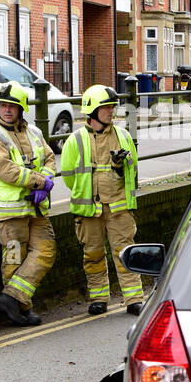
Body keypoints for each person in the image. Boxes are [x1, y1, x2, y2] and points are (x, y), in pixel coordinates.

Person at [0, 83, 58, 326]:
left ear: (21, 109)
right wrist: (40, 183)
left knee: (46, 251)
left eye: (12, 105)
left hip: (35, 209)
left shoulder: (33, 132)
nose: (7, 109)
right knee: (14, 259)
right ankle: (23, 308)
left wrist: (45, 180)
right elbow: (5, 170)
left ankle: (12, 299)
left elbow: (50, 158)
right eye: (3, 105)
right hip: (7, 213)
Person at [61, 84, 145, 316]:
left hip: (118, 207)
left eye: (112, 107)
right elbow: (68, 176)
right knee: (93, 255)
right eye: (106, 107)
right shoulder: (75, 140)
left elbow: (132, 170)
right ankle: (99, 298)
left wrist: (119, 167)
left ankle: (134, 299)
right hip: (88, 210)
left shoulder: (123, 136)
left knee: (126, 251)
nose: (111, 111)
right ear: (92, 110)